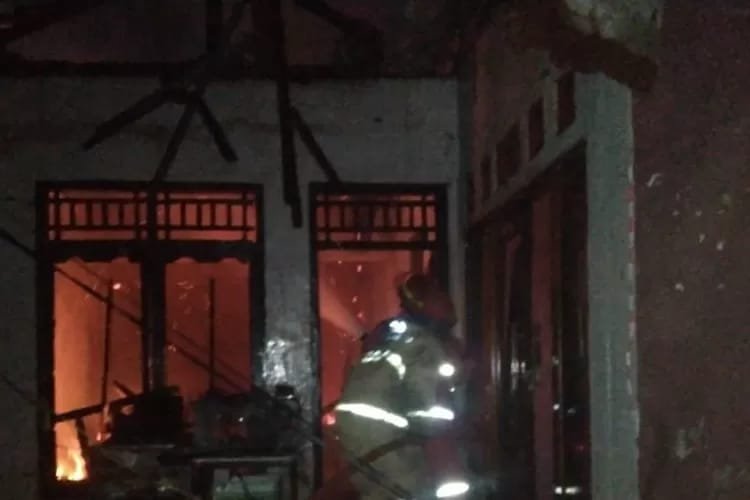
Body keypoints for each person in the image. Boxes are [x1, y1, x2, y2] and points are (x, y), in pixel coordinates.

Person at [333, 273, 471, 499]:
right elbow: (433, 426)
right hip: (390, 446)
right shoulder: (424, 347)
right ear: (426, 304)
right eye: (440, 297)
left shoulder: (393, 338)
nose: (449, 304)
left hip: (361, 446)